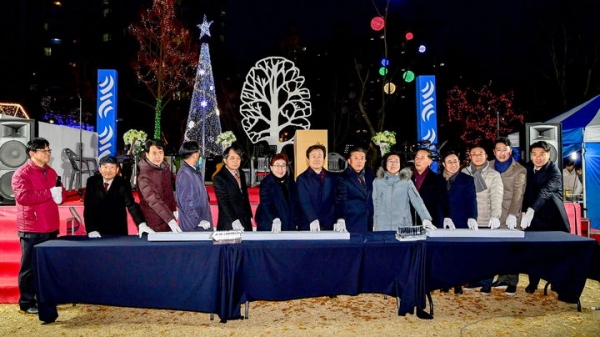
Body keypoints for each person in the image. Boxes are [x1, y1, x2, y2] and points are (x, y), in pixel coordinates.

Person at [12, 138, 65, 322]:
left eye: (48, 150)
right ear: (32, 153)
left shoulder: (50, 171)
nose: (48, 154)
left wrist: (60, 193)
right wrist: (49, 193)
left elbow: (58, 189)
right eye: (44, 151)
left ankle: (47, 298)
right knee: (29, 267)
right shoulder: (21, 174)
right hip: (32, 226)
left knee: (48, 265)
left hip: (50, 224)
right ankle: (27, 302)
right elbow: (23, 197)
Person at [521, 141, 570, 294]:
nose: (538, 157)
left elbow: (545, 192)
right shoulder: (526, 168)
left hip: (553, 217)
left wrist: (530, 209)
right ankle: (533, 282)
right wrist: (523, 211)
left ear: (549, 155)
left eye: (542, 154)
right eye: (535, 154)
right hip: (533, 218)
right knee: (533, 250)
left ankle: (556, 282)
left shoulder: (554, 171)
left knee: (555, 252)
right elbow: (523, 192)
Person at [461, 144, 504, 295]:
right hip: (469, 220)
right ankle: (474, 280)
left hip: (486, 219)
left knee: (487, 254)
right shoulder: (464, 173)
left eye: (481, 153)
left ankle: (486, 283)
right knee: (471, 253)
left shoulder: (494, 175)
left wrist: (495, 216)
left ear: (486, 156)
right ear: (470, 157)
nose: (478, 156)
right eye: (474, 154)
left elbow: (496, 197)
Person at [489, 137, 527, 296]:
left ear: (510, 151)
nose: (502, 153)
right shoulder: (489, 165)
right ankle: (501, 278)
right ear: (494, 152)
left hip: (510, 213)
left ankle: (512, 282)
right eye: (499, 150)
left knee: (512, 249)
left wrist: (513, 215)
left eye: (505, 150)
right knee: (498, 248)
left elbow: (518, 195)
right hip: (493, 214)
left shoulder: (519, 170)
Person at [84, 155, 153, 237]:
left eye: (112, 167)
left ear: (117, 170)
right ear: (100, 169)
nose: (108, 170)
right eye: (105, 167)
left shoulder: (123, 184)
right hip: (97, 229)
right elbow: (89, 207)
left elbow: (131, 205)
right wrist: (91, 230)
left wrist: (141, 224)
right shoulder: (92, 182)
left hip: (117, 229)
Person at [373, 152, 434, 231]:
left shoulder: (407, 181)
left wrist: (425, 218)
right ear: (385, 163)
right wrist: (374, 223)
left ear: (400, 164)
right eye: (390, 161)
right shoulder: (377, 181)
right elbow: (375, 203)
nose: (393, 164)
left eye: (396, 161)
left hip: (403, 226)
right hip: (381, 226)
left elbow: (417, 200)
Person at [137, 139, 181, 233]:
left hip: (168, 216)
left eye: (160, 152)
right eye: (154, 153)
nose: (158, 156)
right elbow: (153, 200)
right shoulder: (144, 174)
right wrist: (170, 219)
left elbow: (170, 192)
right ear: (147, 154)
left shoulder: (164, 168)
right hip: (153, 220)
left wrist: (173, 210)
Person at [296, 144, 337, 231]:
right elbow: (304, 202)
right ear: (308, 159)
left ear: (324, 158)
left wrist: (339, 219)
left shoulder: (332, 177)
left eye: (319, 156)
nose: (316, 159)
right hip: (308, 225)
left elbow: (336, 200)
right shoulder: (301, 179)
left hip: (329, 225)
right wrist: (313, 219)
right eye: (313, 156)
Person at [255, 153, 299, 232]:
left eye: (283, 165)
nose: (280, 169)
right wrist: (275, 219)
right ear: (271, 168)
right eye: (277, 165)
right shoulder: (266, 183)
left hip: (288, 224)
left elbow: (295, 203)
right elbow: (266, 203)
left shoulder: (291, 182)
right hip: (269, 223)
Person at [213, 145, 253, 231]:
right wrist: (234, 220)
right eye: (232, 158)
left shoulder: (241, 173)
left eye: (238, 158)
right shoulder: (219, 178)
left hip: (245, 220)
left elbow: (245, 196)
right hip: (230, 222)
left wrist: (249, 215)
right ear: (225, 160)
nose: (236, 161)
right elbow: (224, 202)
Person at [175, 141, 213, 232]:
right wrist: (197, 221)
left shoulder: (192, 171)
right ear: (194, 154)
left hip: (201, 223)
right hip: (193, 227)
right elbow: (186, 202)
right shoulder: (185, 174)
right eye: (198, 151)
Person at [335, 146, 374, 232]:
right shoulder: (343, 177)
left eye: (362, 158)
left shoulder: (369, 175)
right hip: (352, 221)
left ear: (365, 161)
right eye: (356, 158)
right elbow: (341, 200)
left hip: (369, 221)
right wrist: (341, 218)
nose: (359, 161)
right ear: (349, 161)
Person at [411, 148, 449, 229]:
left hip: (431, 221)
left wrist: (446, 217)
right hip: (410, 221)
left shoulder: (437, 179)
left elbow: (444, 201)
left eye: (422, 158)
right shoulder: (407, 177)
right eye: (417, 157)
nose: (418, 160)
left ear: (430, 161)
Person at [441, 151, 477, 229]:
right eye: (449, 162)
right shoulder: (438, 180)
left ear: (459, 162)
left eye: (455, 161)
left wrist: (472, 217)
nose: (453, 165)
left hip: (461, 222)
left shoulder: (467, 179)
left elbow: (471, 200)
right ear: (444, 164)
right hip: (441, 223)